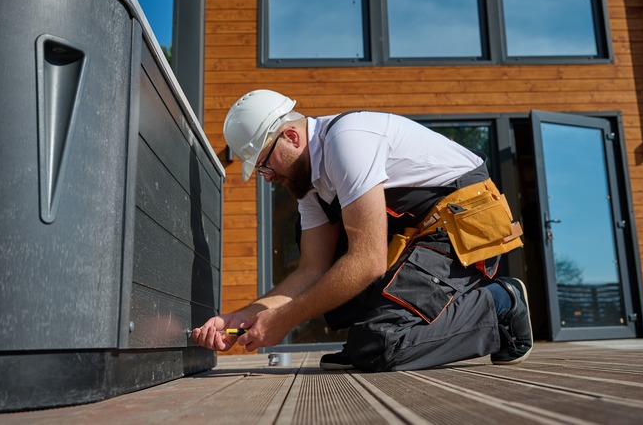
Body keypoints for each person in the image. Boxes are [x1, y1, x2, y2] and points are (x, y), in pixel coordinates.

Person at [191, 89, 532, 371]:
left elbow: (369, 262)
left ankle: (502, 302)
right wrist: (242, 316)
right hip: (418, 235)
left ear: (292, 137)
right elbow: (312, 270)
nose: (268, 177)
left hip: (462, 224)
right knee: (357, 326)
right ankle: (368, 338)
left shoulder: (347, 141)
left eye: (265, 165)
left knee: (383, 344)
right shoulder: (310, 187)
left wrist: (282, 320)